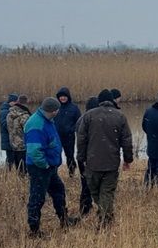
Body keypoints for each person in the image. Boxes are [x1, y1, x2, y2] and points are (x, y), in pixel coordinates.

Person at [75, 89, 134, 227]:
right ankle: (106, 214)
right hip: (111, 161)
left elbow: (81, 139)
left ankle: (105, 218)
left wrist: (81, 157)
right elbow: (127, 140)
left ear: (99, 101)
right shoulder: (120, 116)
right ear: (112, 101)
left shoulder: (88, 116)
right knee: (106, 191)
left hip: (92, 161)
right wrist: (128, 159)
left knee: (94, 190)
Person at [23, 96, 80, 238]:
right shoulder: (36, 124)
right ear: (51, 111)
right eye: (56, 110)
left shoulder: (47, 120)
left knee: (58, 190)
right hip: (40, 168)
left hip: (49, 167)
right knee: (37, 197)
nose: (57, 113)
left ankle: (64, 219)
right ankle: (34, 230)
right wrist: (45, 165)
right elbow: (34, 151)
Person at [77, 96, 99, 216]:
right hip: (88, 156)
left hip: (81, 156)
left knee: (85, 182)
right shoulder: (90, 120)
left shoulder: (81, 118)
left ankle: (86, 206)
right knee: (88, 183)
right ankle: (85, 208)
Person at [54, 88, 82, 175]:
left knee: (69, 155)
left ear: (68, 97)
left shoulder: (74, 108)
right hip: (56, 136)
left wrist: (71, 129)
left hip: (69, 136)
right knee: (55, 155)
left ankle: (71, 173)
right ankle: (54, 174)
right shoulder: (55, 107)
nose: (62, 98)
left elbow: (79, 122)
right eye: (61, 96)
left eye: (64, 96)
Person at [5, 95, 31, 173]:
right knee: (24, 169)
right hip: (23, 145)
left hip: (13, 144)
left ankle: (19, 182)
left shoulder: (9, 114)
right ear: (26, 103)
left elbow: (9, 128)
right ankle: (24, 183)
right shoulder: (24, 116)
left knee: (18, 168)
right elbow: (28, 130)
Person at [0, 92, 18, 170]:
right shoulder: (4, 112)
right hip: (8, 140)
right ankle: (8, 174)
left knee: (13, 158)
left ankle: (10, 173)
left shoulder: (11, 110)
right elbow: (5, 125)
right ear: (11, 102)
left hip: (13, 139)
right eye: (16, 102)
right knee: (10, 159)